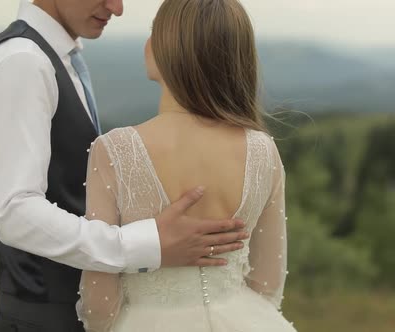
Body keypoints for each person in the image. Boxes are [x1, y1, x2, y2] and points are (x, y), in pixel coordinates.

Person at [0, 0, 249, 331]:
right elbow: (14, 212)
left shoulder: (55, 58)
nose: (117, 7)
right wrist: (146, 244)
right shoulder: (21, 63)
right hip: (46, 315)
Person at [75, 0, 297, 331]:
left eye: (154, 33)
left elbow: (99, 299)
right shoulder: (263, 150)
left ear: (171, 51)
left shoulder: (116, 151)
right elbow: (268, 281)